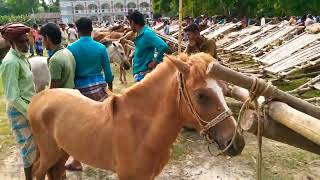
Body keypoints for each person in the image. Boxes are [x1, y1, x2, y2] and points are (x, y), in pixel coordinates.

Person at [66, 17, 113, 170]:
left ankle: (77, 161)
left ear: (77, 31)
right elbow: (108, 73)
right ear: (91, 29)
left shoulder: (70, 48)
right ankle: (106, 154)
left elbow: (70, 74)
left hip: (80, 90)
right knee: (104, 123)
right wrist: (109, 90)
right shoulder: (100, 48)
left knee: (77, 127)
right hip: (99, 89)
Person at [0, 23, 37, 180]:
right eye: (21, 42)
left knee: (36, 148)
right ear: (11, 43)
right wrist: (31, 114)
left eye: (26, 41)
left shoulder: (22, 58)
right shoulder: (10, 63)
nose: (25, 44)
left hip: (29, 108)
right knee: (28, 150)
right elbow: (12, 96)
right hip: (19, 111)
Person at [126, 10, 169, 82]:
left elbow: (163, 46)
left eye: (129, 23)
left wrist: (156, 61)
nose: (129, 26)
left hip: (144, 74)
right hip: (139, 73)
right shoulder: (140, 33)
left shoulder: (147, 34)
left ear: (133, 22)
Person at [40, 23, 76, 89]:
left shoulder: (55, 59)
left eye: (42, 38)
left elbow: (54, 89)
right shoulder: (68, 52)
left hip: (62, 97)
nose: (41, 41)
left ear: (47, 38)